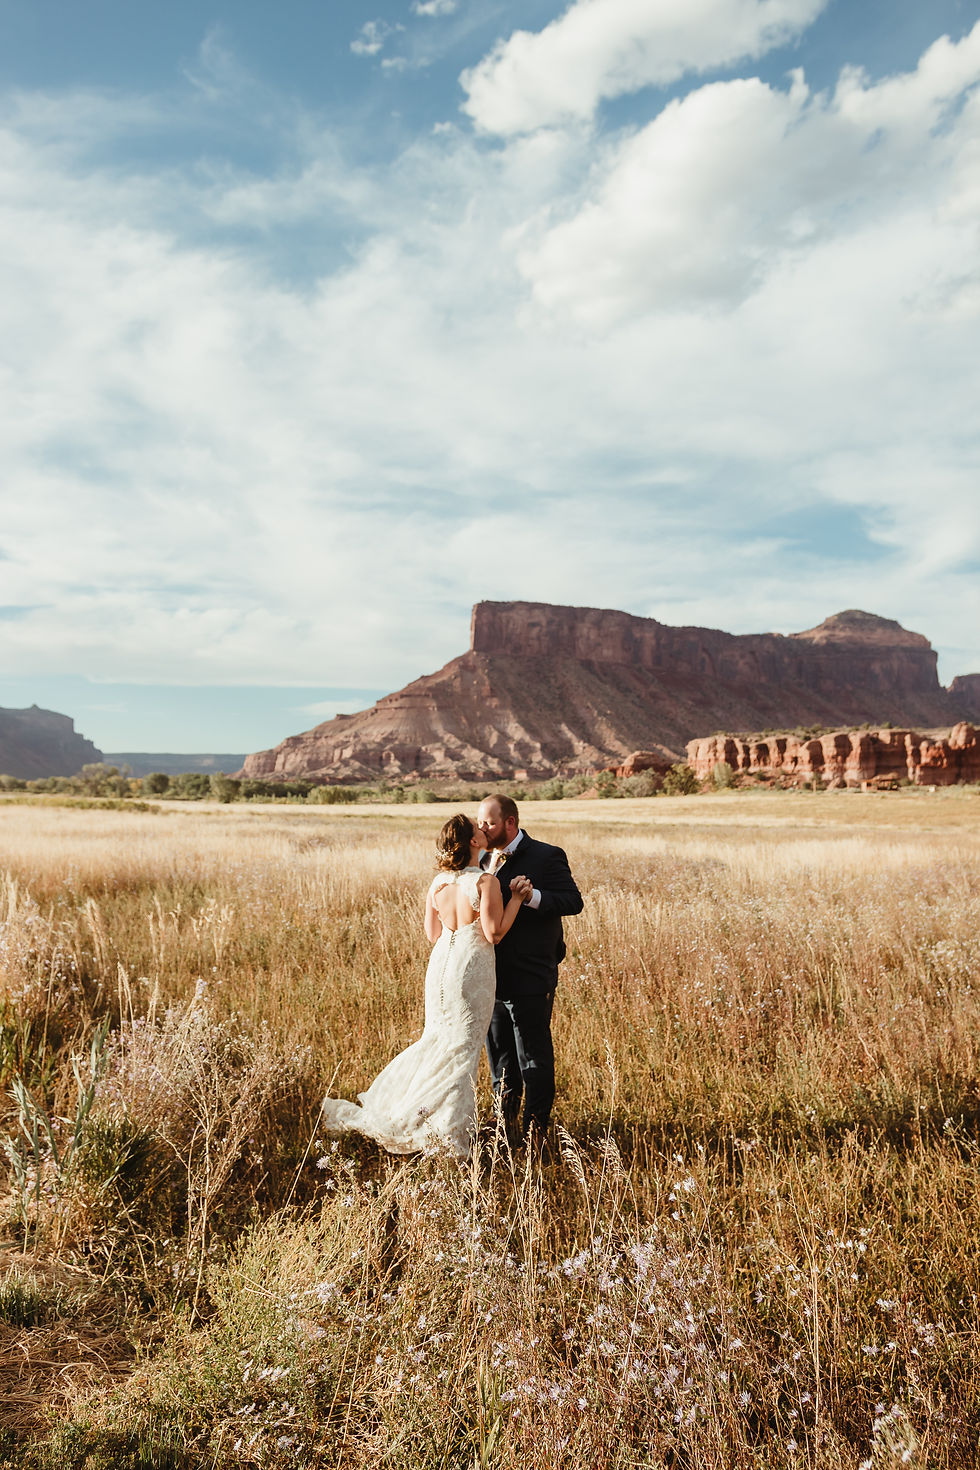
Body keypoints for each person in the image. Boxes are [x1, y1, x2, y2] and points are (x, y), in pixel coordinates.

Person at [321, 814, 532, 1157]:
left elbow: (433, 933)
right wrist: (517, 900)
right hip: (470, 968)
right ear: (473, 842)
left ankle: (417, 1115)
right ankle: (448, 1133)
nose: (483, 829)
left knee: (437, 1039)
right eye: (478, 828)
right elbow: (494, 933)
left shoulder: (439, 883)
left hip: (440, 967)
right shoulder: (486, 883)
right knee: (463, 1049)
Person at [477, 794, 583, 1144]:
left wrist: (532, 896)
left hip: (532, 974)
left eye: (489, 822)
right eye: (480, 822)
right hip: (492, 975)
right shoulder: (481, 859)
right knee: (500, 1056)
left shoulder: (546, 855)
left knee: (533, 1057)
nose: (482, 828)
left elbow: (573, 901)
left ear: (510, 822)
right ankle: (504, 1128)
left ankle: (536, 1131)